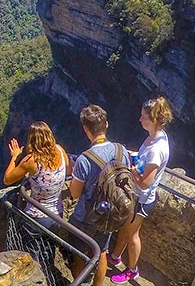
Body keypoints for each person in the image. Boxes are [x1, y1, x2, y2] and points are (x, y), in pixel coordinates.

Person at [109, 97, 173, 283]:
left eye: (143, 116)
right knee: (126, 228)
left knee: (132, 235)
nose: (140, 119)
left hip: (142, 199)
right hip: (137, 195)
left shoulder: (157, 149)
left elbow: (145, 182)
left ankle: (132, 270)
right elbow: (145, 165)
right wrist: (135, 157)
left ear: (153, 119)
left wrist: (131, 170)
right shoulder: (156, 136)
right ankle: (115, 256)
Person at [68, 104, 130, 286]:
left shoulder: (84, 160)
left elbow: (74, 193)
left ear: (86, 130)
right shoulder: (122, 151)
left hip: (85, 217)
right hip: (111, 213)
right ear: (107, 125)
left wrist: (74, 173)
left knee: (80, 254)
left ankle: (81, 283)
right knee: (101, 251)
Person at [3, 121, 72, 285]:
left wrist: (14, 157)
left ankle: (39, 281)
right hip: (57, 215)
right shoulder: (60, 151)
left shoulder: (31, 161)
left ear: (32, 140)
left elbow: (7, 179)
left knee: (32, 256)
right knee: (48, 249)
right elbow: (69, 171)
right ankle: (50, 276)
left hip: (36, 218)